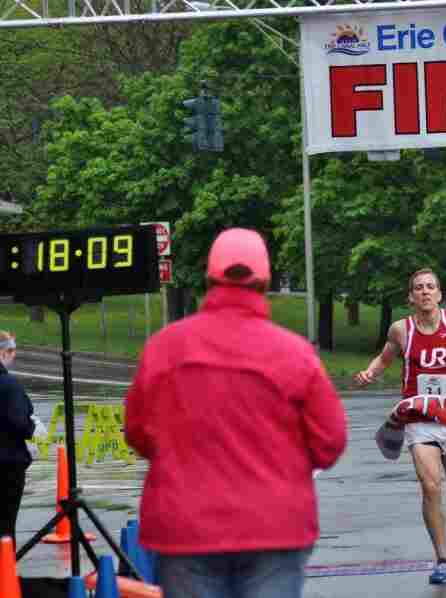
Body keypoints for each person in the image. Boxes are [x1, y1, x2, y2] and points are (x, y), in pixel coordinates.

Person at [124, 228, 347, 598]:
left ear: (210, 277)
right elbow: (330, 441)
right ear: (267, 280)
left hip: (186, 528)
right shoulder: (295, 354)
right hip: (274, 526)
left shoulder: (165, 348)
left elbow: (138, 431)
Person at [355, 268, 446, 585]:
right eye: (419, 288)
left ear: (440, 294)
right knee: (430, 486)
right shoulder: (401, 330)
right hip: (419, 418)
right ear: (411, 297)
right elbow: (384, 358)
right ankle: (442, 559)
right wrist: (369, 373)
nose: (425, 291)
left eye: (431, 287)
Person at [0, 331, 35, 549]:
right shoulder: (9, 385)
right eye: (11, 351)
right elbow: (20, 423)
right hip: (7, 465)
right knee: (5, 526)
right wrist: (32, 428)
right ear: (3, 352)